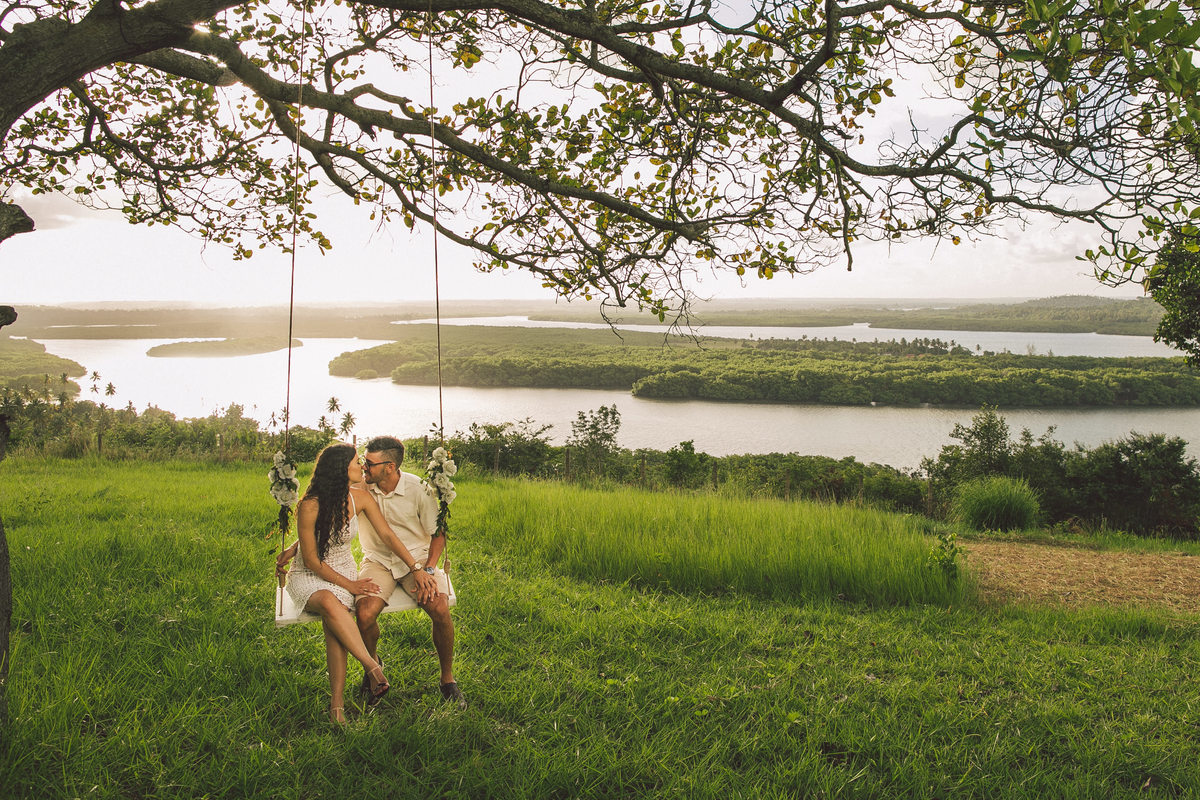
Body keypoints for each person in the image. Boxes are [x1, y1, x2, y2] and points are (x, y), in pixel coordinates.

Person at [283, 442, 431, 724]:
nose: (362, 466)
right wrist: (349, 586)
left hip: (344, 571)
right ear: (341, 469)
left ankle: (336, 706)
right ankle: (373, 669)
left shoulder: (358, 498)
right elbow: (312, 561)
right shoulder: (309, 504)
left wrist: (415, 566)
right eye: (356, 462)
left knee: (334, 616)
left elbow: (387, 535)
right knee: (329, 601)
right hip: (309, 575)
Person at [355, 435, 465, 708]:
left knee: (439, 608)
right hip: (377, 560)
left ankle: (447, 679)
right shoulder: (360, 487)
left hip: (415, 561)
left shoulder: (419, 489)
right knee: (365, 613)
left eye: (368, 463)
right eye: (362, 461)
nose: (363, 467)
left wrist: (428, 568)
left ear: (389, 467)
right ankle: (373, 668)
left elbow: (438, 533)